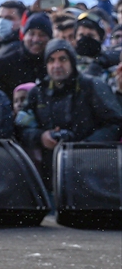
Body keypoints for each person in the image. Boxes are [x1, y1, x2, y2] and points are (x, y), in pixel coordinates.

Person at [19, 39, 122, 183]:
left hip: (91, 169)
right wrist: (41, 137)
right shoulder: (38, 93)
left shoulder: (92, 86)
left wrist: (85, 146)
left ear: (72, 62)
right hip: (50, 171)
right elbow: (21, 128)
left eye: (62, 59)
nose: (57, 65)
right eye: (51, 60)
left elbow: (115, 123)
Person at [0, 12, 52, 98]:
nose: (36, 39)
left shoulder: (53, 59)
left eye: (42, 35)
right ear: (24, 36)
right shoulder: (5, 60)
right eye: (32, 33)